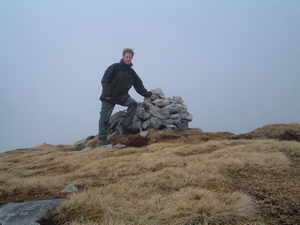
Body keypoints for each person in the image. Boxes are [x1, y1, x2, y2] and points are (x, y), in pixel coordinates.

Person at [98, 48, 153, 146]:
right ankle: (102, 139)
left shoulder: (132, 72)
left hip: (122, 96)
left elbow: (139, 86)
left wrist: (148, 94)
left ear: (132, 58)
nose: (128, 59)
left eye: (130, 57)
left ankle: (127, 125)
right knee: (104, 118)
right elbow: (105, 80)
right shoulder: (115, 67)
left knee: (133, 103)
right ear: (123, 57)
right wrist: (106, 94)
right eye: (126, 57)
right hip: (109, 96)